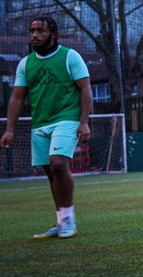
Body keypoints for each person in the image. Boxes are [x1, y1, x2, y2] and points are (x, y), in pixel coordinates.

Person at [1, 16, 92, 239]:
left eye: (40, 31)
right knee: (51, 174)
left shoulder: (70, 56)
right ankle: (61, 222)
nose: (34, 35)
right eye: (32, 30)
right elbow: (16, 98)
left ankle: (69, 220)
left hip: (67, 119)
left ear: (53, 33)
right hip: (40, 123)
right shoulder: (25, 63)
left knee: (59, 164)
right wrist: (9, 129)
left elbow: (86, 90)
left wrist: (84, 122)